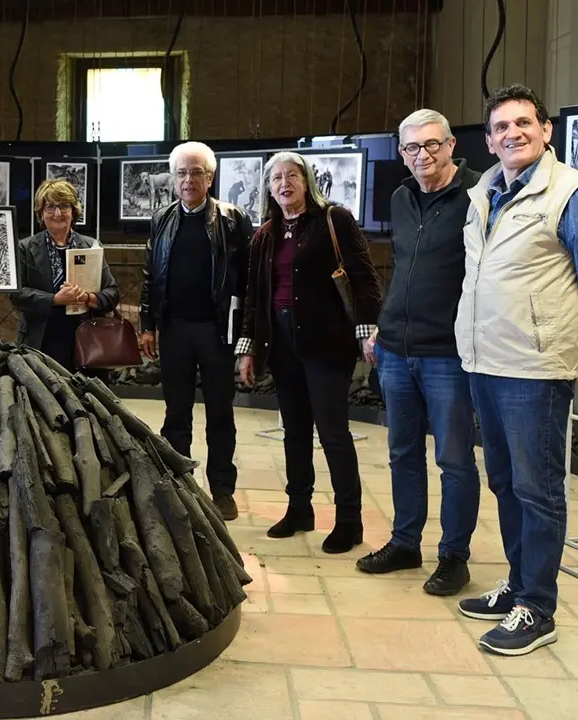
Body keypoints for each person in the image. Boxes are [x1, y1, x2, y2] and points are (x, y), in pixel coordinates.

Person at [454, 84, 578, 656]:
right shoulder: (483, 193)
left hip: (534, 369)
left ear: (546, 130)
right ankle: (518, 585)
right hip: (484, 363)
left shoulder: (573, 195)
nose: (512, 134)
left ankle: (538, 608)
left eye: (524, 123)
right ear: (489, 139)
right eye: (501, 127)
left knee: (538, 489)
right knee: (504, 482)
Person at [355, 109, 483, 597]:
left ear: (451, 145)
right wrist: (381, 329)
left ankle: (454, 556)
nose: (422, 155)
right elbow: (405, 269)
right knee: (402, 453)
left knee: (454, 458)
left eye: (432, 145)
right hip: (394, 350)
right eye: (411, 148)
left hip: (448, 354)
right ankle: (406, 542)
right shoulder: (401, 197)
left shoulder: (479, 195)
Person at [236, 152, 383, 552]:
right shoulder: (265, 234)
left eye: (292, 176)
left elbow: (365, 278)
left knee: (333, 433)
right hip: (281, 343)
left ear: (306, 181)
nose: (284, 183)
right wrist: (247, 348)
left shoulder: (334, 221)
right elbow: (254, 296)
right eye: (276, 178)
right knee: (294, 430)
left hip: (326, 342)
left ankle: (349, 521)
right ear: (268, 188)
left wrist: (366, 331)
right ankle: (299, 507)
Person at [139, 141, 252, 521]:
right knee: (176, 413)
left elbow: (247, 281)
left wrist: (246, 334)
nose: (189, 180)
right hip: (174, 330)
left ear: (211, 177)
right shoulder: (162, 219)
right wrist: (147, 325)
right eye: (182, 173)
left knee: (221, 413)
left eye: (197, 172)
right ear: (173, 179)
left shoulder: (233, 219)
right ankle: (178, 487)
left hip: (216, 331)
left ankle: (222, 490)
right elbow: (150, 274)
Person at [11, 178, 121, 371]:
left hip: (86, 341)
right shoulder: (25, 247)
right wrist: (55, 299)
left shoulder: (91, 246)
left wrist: (88, 298)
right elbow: (17, 295)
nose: (57, 213)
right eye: (50, 207)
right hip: (40, 341)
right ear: (41, 212)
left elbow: (112, 293)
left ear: (73, 211)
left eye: (64, 206)